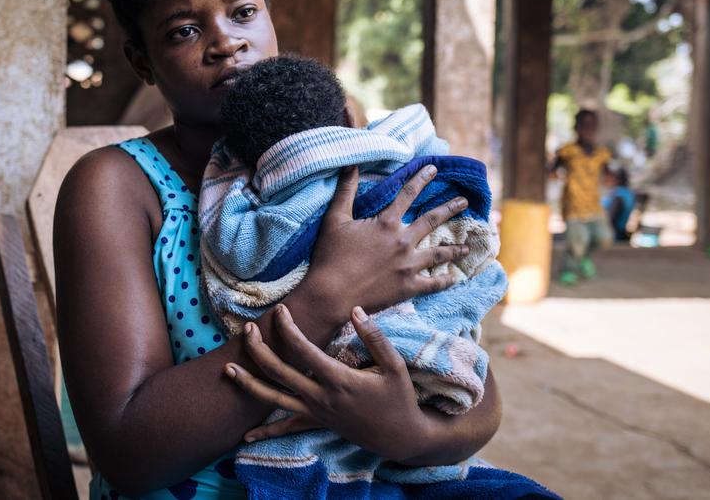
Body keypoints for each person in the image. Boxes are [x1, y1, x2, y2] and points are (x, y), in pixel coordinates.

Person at [55, 0, 555, 500]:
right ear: (143, 61)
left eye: (243, 13)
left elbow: (474, 393)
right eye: (184, 30)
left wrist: (407, 432)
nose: (225, 43)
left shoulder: (349, 159)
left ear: (270, 22)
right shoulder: (117, 186)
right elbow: (128, 450)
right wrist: (327, 296)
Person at [199, 56, 508, 492]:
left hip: (350, 417)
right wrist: (333, 289)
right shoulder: (386, 149)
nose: (225, 43)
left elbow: (244, 251)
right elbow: (417, 132)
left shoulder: (251, 206)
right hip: (408, 372)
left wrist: (220, 171)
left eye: (244, 12)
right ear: (347, 116)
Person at [551, 109, 613, 285]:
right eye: (584, 125)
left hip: (594, 205)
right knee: (578, 242)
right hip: (573, 206)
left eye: (592, 125)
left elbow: (609, 175)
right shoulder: (568, 151)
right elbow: (553, 170)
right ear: (576, 127)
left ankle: (584, 258)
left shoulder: (602, 154)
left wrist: (613, 179)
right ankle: (568, 270)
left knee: (604, 238)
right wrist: (554, 172)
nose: (588, 129)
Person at [603, 168, 636, 243]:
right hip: (621, 231)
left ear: (616, 179)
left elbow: (612, 218)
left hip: (615, 235)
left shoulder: (618, 195)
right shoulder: (629, 193)